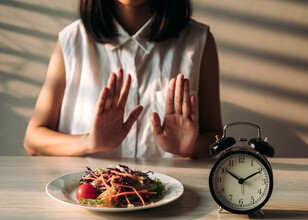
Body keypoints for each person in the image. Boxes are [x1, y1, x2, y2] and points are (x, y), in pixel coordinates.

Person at [23, 0, 222, 158]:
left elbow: (216, 136)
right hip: (84, 201)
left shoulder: (199, 40)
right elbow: (33, 140)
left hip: (172, 202)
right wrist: (89, 142)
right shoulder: (72, 40)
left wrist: (190, 147)